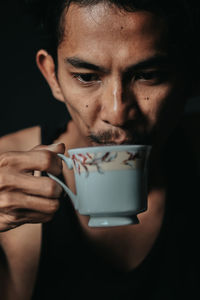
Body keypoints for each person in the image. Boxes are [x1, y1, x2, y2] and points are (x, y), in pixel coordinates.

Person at [0, 0, 199, 299]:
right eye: (87, 77)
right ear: (52, 76)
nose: (117, 112)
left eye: (148, 74)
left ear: (190, 75)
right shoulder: (5, 178)